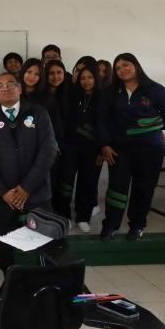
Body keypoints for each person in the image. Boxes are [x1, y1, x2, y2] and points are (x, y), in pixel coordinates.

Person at [0, 73, 57, 299]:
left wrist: (26, 188)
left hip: (37, 191)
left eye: (10, 84)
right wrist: (3, 191)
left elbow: (48, 150)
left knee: (46, 240)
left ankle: (47, 282)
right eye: (0, 86)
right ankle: (10, 279)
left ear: (20, 89)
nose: (5, 88)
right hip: (3, 196)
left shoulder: (39, 113)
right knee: (2, 242)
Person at [98, 53, 165, 242]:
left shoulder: (155, 89)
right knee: (117, 186)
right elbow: (101, 119)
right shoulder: (110, 92)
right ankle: (110, 226)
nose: (122, 70)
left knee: (144, 187)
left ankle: (137, 226)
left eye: (126, 65)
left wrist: (151, 128)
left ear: (136, 65)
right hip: (119, 149)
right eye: (118, 68)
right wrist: (104, 145)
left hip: (150, 149)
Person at [53, 66, 103, 234]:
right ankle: (64, 215)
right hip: (70, 146)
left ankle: (83, 217)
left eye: (90, 77)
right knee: (65, 183)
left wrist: (101, 148)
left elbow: (105, 124)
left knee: (87, 184)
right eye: (82, 78)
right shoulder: (71, 96)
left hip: (92, 148)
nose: (86, 81)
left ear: (96, 78)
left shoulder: (102, 98)